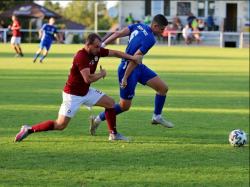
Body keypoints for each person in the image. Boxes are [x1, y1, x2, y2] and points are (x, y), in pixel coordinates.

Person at [14, 33, 143, 142]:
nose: (99, 49)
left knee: (110, 103)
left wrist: (132, 58)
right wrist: (102, 74)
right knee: (60, 125)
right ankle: (29, 129)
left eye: (100, 46)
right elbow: (88, 78)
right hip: (73, 94)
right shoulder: (81, 56)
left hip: (85, 91)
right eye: (96, 47)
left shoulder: (97, 51)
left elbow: (114, 53)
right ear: (88, 45)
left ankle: (113, 134)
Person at [89, 14, 174, 139]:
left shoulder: (139, 25)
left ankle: (157, 116)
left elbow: (118, 33)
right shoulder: (150, 39)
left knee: (163, 88)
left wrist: (103, 45)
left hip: (139, 67)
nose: (162, 32)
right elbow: (134, 59)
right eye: (161, 29)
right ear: (155, 26)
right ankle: (96, 120)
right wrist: (125, 78)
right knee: (124, 106)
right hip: (127, 69)